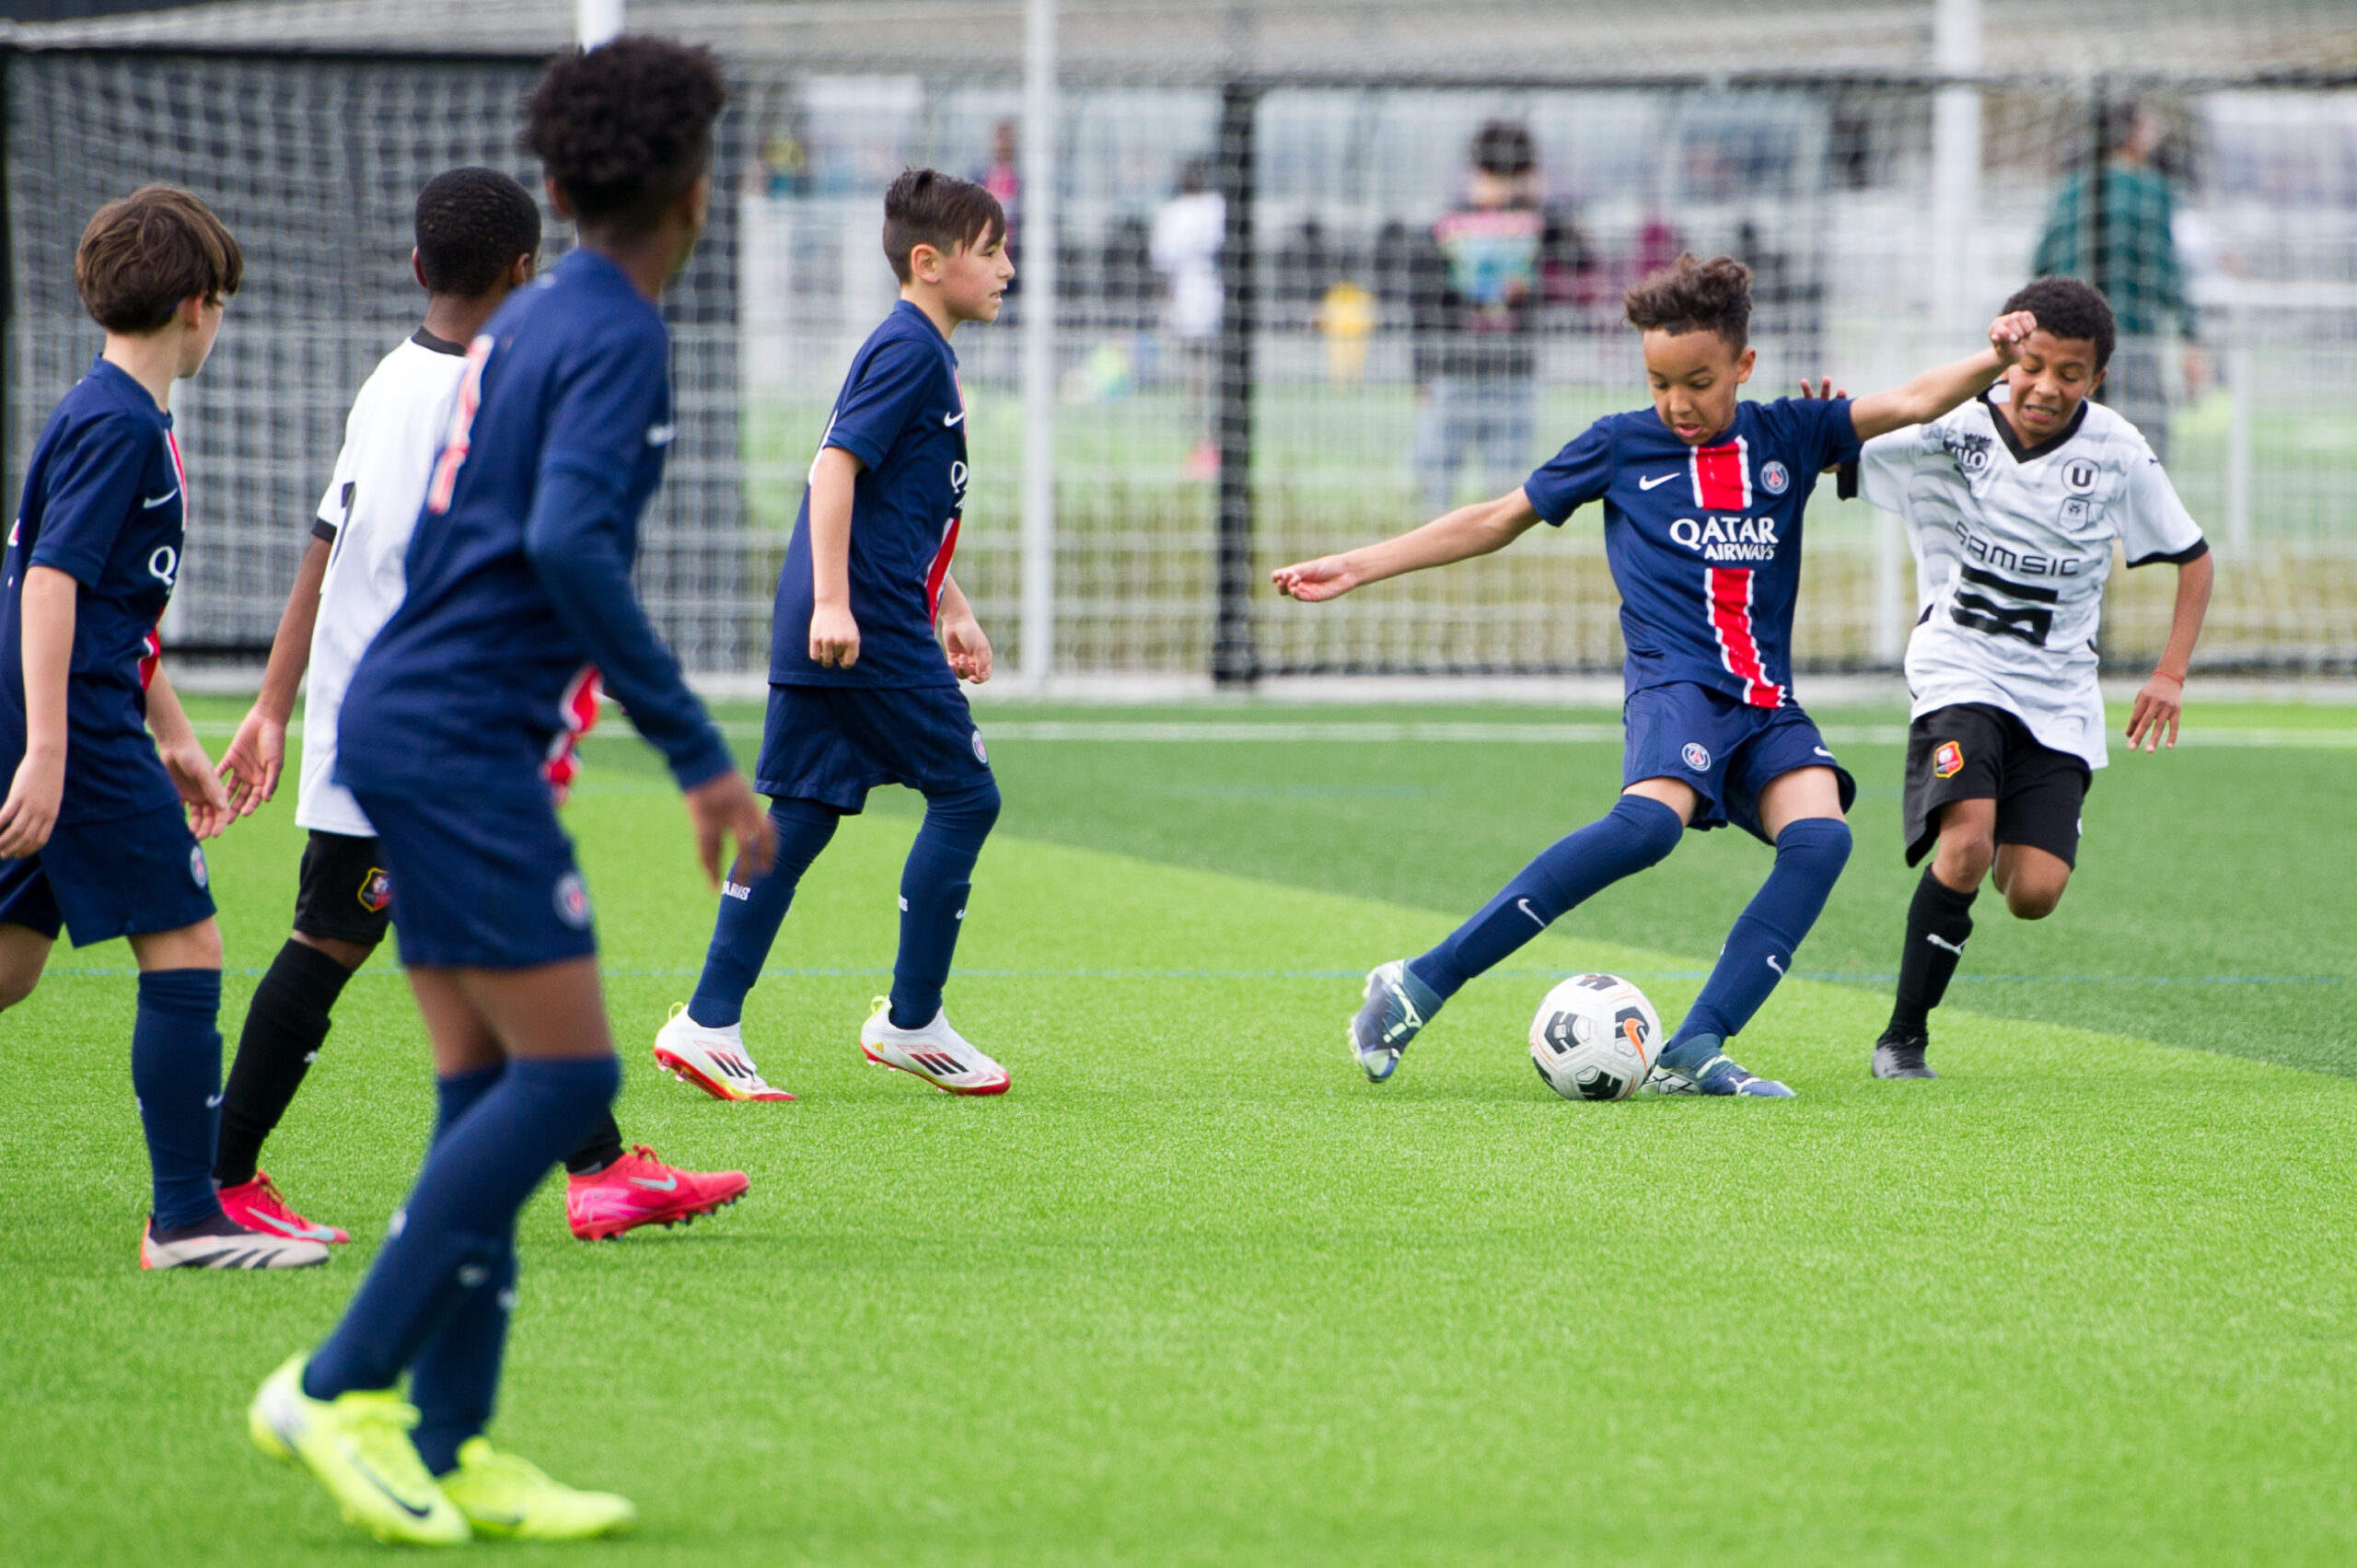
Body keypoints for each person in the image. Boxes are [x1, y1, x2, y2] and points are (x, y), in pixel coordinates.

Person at [248, 39, 772, 1543]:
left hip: (408, 724)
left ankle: (455, 1438)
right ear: (696, 190)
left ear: (559, 182)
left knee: (484, 1087)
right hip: (459, 743)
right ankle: (335, 1383)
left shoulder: (533, 320)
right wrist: (699, 755)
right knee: (558, 1078)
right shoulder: (611, 331)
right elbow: (564, 543)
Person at [1272, 254, 2037, 1097]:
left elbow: (1914, 400)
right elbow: (1496, 518)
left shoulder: (1790, 434)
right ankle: (1419, 982)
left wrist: (1996, 357)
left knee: (1822, 837)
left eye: (1699, 382)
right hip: (1676, 687)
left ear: (1743, 365)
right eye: (1660, 382)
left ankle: (1695, 1045)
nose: (1677, 402)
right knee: (1646, 827)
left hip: (1765, 701)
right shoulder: (1619, 444)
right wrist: (1359, 564)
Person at [212, 166, 750, 1248]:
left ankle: (599, 1168)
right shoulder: (504, 392)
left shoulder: (385, 382)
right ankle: (216, 1181)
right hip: (438, 730)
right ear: (526, 268)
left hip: (375, 719)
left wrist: (273, 703)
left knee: (502, 940)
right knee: (337, 936)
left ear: (418, 265)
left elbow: (323, 548)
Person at [0, 187, 327, 1271]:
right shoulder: (120, 424)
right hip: (76, 729)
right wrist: (53, 750)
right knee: (187, 939)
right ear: (197, 305)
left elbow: (109, 606)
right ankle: (188, 1218)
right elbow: (50, 584)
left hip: (69, 712)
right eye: (222, 301)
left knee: (11, 964)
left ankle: (195, 1210)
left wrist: (177, 735)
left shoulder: (103, 408)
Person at [653, 168, 1014, 1103]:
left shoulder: (921, 350)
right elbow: (834, 469)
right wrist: (834, 603)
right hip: (863, 625)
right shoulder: (910, 351)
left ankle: (708, 1022)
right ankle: (912, 1020)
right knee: (967, 796)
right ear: (928, 262)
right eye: (991, 251)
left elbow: (894, 508)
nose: (1007, 268)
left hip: (863, 613)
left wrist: (951, 603)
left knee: (803, 810)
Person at [1857, 277, 2212, 1079]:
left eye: (2070, 373)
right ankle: (1903, 1038)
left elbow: (2195, 560)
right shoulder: (1954, 426)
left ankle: (2016, 820)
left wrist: (2170, 673)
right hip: (1959, 668)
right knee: (1966, 847)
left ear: (2098, 378)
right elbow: (1853, 440)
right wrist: (1817, 427)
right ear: (2007, 359)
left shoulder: (2118, 451)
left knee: (2033, 892)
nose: (2046, 386)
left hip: (2058, 694)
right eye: (2032, 366)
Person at [1409, 120, 1587, 514]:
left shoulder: (1526, 220)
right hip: (1470, 366)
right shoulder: (1455, 222)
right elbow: (1424, 300)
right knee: (1478, 487)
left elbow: (1579, 255)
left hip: (1492, 366)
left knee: (1467, 484)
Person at [2031, 101, 2195, 459]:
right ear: (2131, 134)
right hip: (2132, 339)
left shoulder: (2070, 187)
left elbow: (2041, 263)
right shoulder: (2152, 190)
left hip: (2067, 341)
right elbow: (2166, 272)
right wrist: (2190, 337)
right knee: (2144, 445)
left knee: (2068, 445)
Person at [1149, 157, 1225, 479]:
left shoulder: (1175, 213)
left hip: (1190, 306)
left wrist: (1165, 310)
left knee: (1197, 382)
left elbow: (1163, 268)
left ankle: (1205, 445)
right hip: (1217, 304)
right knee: (1213, 379)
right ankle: (1210, 443)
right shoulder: (1218, 208)